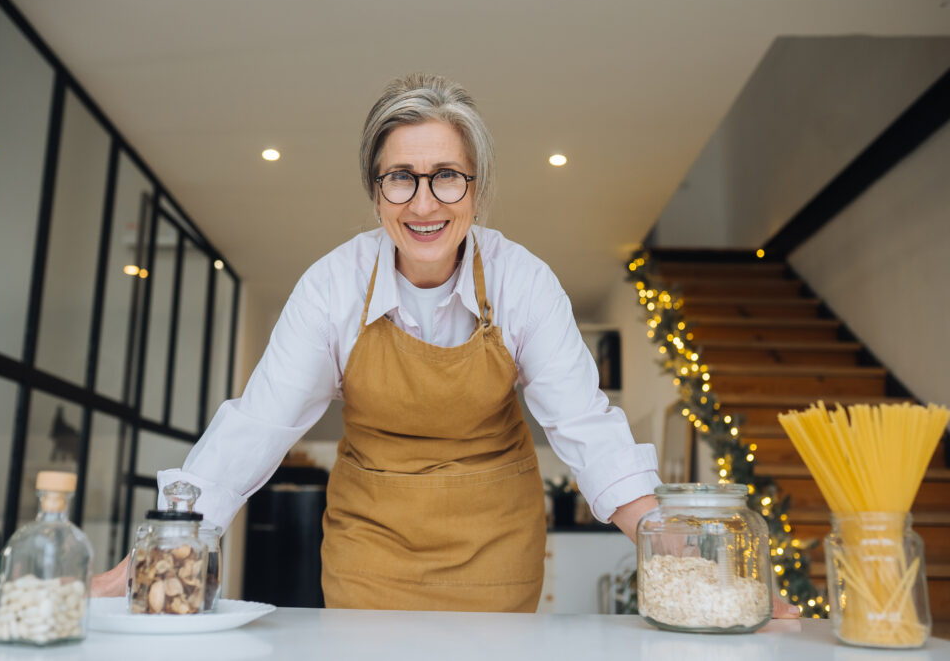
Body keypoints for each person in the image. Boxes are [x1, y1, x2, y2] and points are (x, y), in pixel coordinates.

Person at [94, 73, 798, 616]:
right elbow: (259, 423)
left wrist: (677, 554)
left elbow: (585, 427)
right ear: (375, 191)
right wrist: (169, 540)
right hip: (368, 551)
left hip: (495, 551)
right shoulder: (332, 288)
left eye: (445, 177)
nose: (423, 204)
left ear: (477, 187)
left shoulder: (523, 283)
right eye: (400, 177)